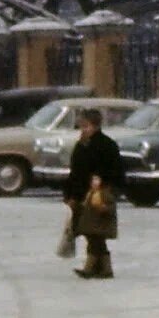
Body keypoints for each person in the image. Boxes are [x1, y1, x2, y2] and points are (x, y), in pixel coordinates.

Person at [63, 108, 124, 280]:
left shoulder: (106, 145)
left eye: (86, 126)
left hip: (99, 194)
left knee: (94, 231)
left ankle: (92, 267)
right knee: (91, 231)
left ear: (96, 126)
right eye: (81, 126)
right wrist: (69, 194)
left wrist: (104, 183)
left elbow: (117, 171)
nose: (83, 129)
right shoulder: (82, 144)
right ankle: (103, 268)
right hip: (82, 193)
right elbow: (75, 171)